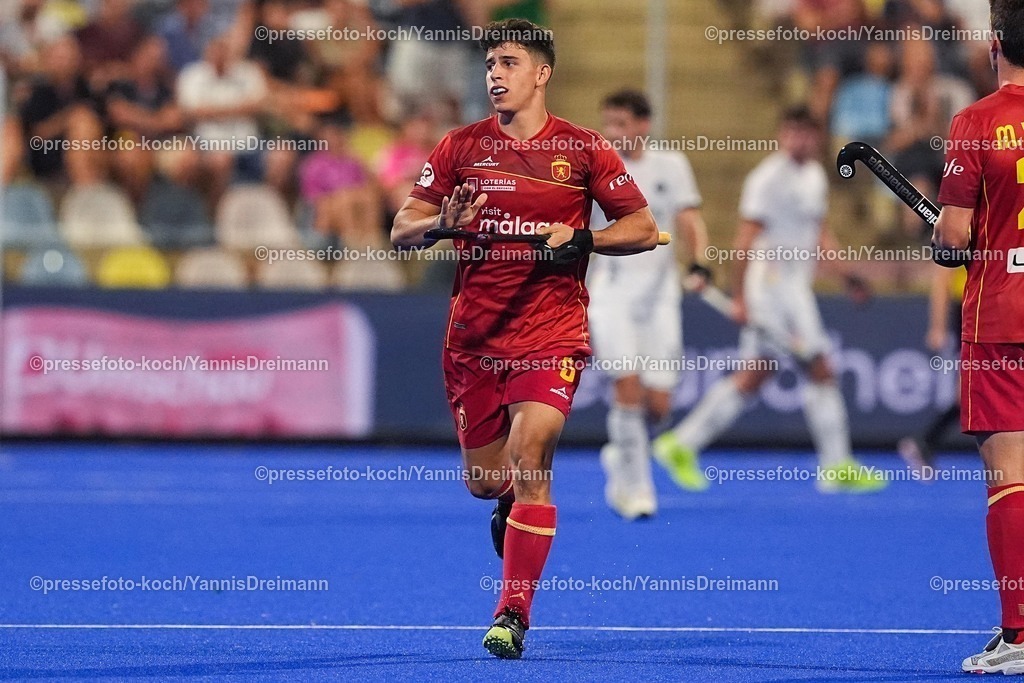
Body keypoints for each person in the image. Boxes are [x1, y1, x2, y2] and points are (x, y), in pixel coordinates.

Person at [390, 18, 658, 659]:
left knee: (533, 456)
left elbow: (644, 228)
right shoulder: (459, 146)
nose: (494, 75)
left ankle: (512, 612)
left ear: (542, 74)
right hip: (474, 341)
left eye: (508, 63)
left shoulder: (586, 151)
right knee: (488, 482)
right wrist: (439, 226)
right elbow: (401, 227)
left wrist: (585, 238)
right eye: (490, 64)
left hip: (550, 332)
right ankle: (505, 502)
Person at [653, 106, 885, 494]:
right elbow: (744, 243)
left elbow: (821, 235)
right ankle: (837, 467)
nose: (799, 140)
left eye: (806, 132)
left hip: (795, 289)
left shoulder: (813, 175)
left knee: (755, 374)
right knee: (820, 367)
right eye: (791, 132)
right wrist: (742, 298)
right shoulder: (767, 179)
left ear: (817, 136)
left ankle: (680, 443)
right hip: (772, 290)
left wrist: (849, 278)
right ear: (780, 134)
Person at [932, 1, 1024, 673]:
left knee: (1011, 478)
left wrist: (944, 237)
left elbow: (954, 237)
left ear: (995, 44)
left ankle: (1019, 631)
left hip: (1003, 320)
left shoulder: (978, 121)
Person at [587, 89, 711, 519]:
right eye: (609, 123)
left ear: (643, 124)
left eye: (621, 123)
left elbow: (690, 221)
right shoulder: (595, 166)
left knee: (658, 406)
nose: (613, 132)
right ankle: (637, 491)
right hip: (611, 294)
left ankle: (620, 454)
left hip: (660, 299)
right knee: (627, 389)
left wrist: (699, 264)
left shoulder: (671, 165)